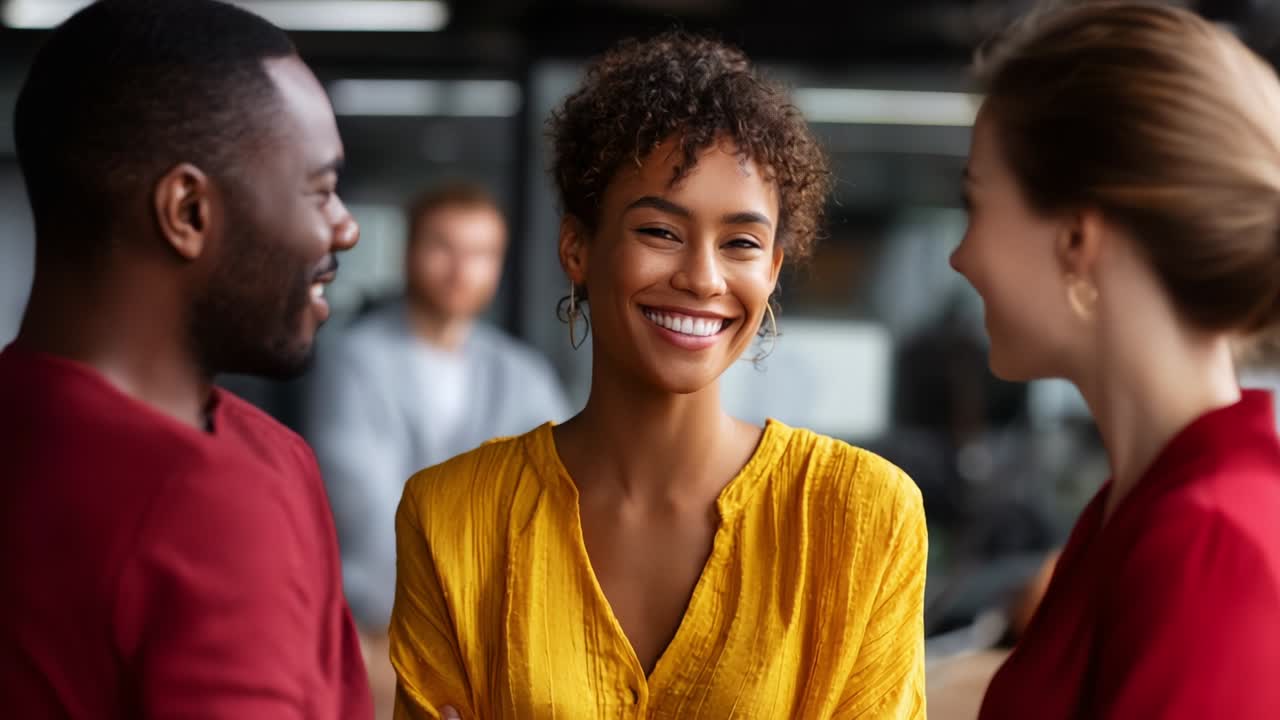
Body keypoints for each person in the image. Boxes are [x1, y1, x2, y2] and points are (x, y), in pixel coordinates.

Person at [389, 31, 928, 718]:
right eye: (659, 232)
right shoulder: (453, 519)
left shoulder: (863, 517)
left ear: (772, 271)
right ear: (577, 247)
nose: (703, 278)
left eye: (741, 243)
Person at [0, 1, 372, 717]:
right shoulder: (218, 504)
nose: (346, 227)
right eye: (320, 191)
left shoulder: (276, 461)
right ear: (188, 213)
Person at [950, 3, 1280, 717]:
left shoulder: (1207, 547)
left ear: (1076, 238)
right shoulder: (1134, 510)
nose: (961, 256)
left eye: (975, 203)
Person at [306, 182, 570, 636]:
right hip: (378, 626)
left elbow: (561, 503)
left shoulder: (523, 374)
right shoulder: (354, 360)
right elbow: (364, 515)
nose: (461, 270)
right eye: (443, 247)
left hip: (501, 631)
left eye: (481, 253)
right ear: (408, 251)